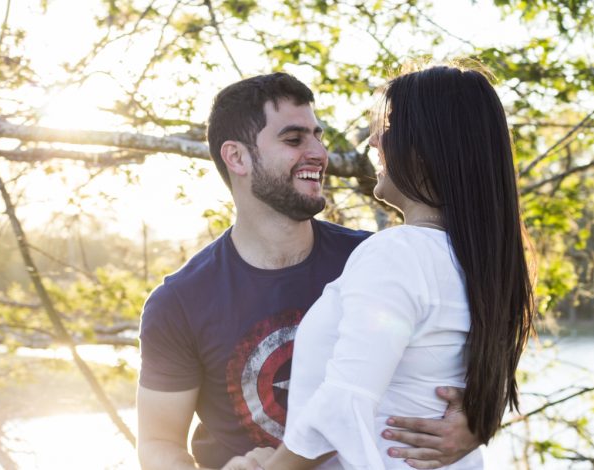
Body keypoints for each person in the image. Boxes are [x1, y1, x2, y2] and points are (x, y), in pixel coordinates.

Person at [137, 72, 481, 470]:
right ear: (237, 157)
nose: (319, 153)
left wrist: (477, 422)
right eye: (294, 139)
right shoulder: (179, 302)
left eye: (318, 136)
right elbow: (159, 441)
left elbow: (456, 363)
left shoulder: (373, 258)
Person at [221, 65, 535, 470]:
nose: (372, 140)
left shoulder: (397, 253)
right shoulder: (476, 261)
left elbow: (343, 404)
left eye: (387, 127)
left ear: (425, 147)